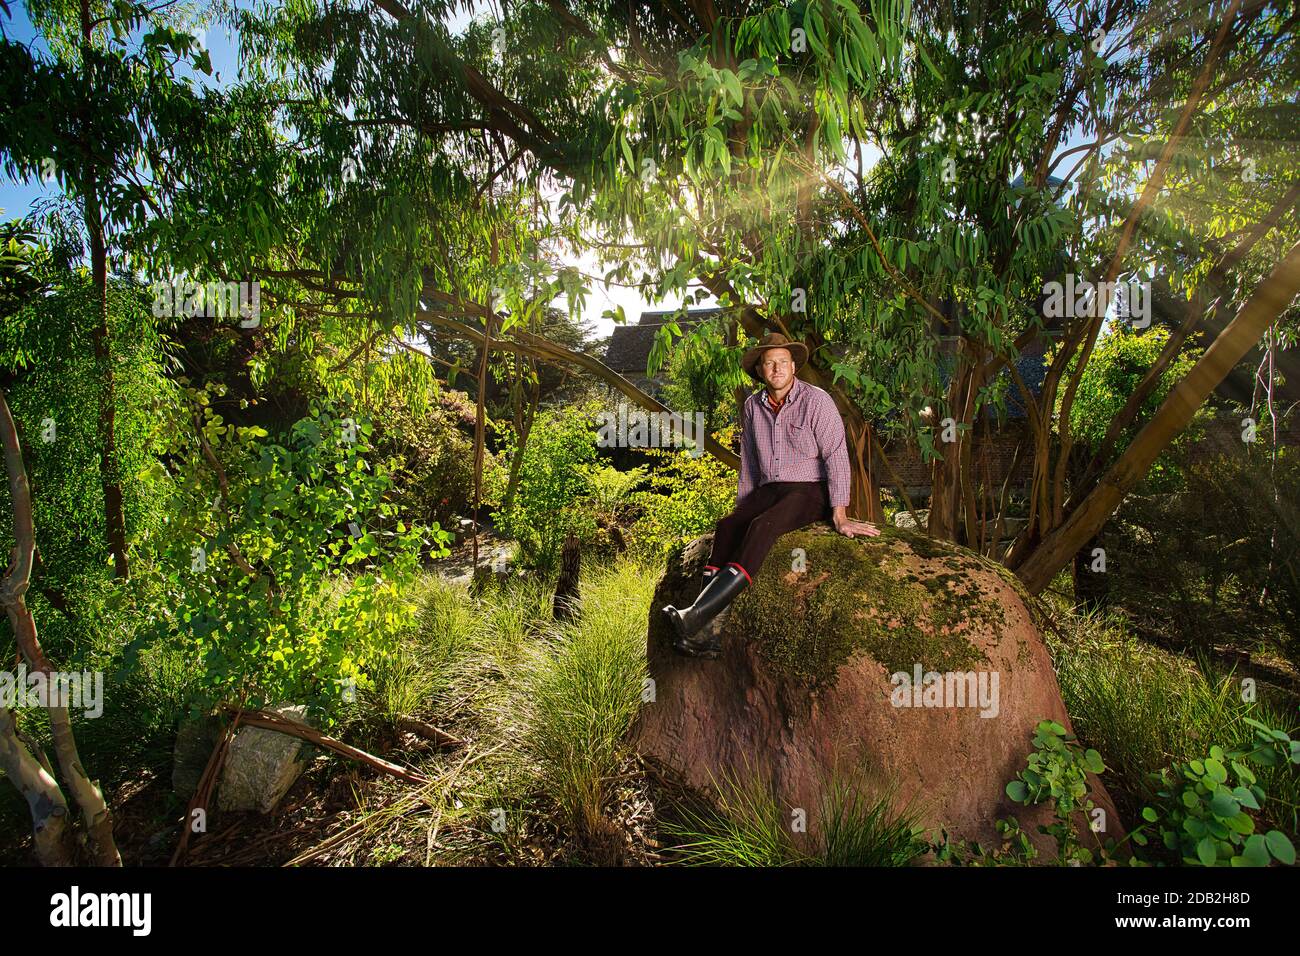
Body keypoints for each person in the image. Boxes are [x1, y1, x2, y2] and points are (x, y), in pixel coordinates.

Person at [663, 332, 880, 658]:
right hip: (769, 489)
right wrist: (742, 508)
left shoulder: (816, 401)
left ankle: (695, 616)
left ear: (793, 366)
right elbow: (750, 459)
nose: (776, 369)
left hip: (808, 490)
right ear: (761, 371)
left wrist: (840, 513)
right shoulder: (753, 406)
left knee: (762, 527)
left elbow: (836, 454)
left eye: (782, 362)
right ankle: (705, 636)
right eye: (769, 364)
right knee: (728, 527)